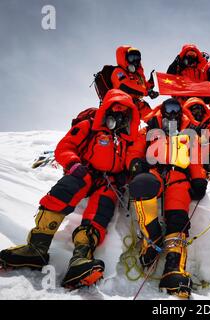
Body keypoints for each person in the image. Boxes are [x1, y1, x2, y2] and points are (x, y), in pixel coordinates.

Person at [0, 89, 146, 289]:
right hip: (83, 172)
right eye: (115, 109)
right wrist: (74, 164)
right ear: (106, 110)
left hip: (109, 183)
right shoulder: (89, 126)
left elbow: (133, 158)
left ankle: (81, 259)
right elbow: (65, 147)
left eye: (124, 111)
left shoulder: (129, 139)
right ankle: (36, 248)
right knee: (64, 192)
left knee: (99, 215)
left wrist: (128, 172)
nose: (119, 114)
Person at [129, 98, 208, 298]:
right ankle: (151, 237)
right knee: (141, 185)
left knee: (178, 218)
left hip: (178, 176)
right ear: (162, 111)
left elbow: (196, 158)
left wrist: (199, 178)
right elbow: (135, 149)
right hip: (154, 170)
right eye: (169, 109)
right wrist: (136, 162)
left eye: (176, 109)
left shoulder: (189, 134)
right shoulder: (149, 129)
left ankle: (174, 268)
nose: (172, 113)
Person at [111, 45, 159, 118]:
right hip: (122, 106)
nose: (135, 61)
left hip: (137, 104)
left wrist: (152, 81)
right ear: (124, 58)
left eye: (137, 58)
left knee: (155, 120)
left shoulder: (137, 75)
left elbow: (143, 87)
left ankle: (163, 128)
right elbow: (126, 86)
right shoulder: (118, 72)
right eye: (132, 58)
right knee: (126, 126)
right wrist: (147, 92)